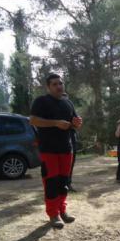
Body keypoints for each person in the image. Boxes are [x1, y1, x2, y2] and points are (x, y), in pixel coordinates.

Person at [30, 73, 83, 229]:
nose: (59, 86)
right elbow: (32, 120)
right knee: (51, 182)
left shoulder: (68, 103)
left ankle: (62, 210)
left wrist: (77, 122)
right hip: (48, 149)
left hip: (67, 148)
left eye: (60, 83)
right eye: (54, 84)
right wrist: (55, 123)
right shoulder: (41, 101)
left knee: (64, 182)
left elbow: (74, 123)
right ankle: (53, 214)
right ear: (48, 87)